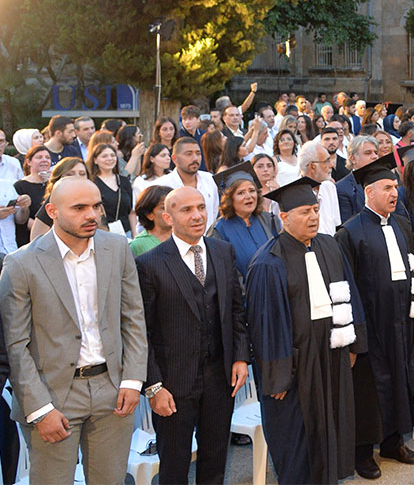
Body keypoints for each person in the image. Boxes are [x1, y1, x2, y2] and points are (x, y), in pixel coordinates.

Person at [0, 177, 147, 484]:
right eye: (79, 208)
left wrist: (133, 381)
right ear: (52, 211)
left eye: (96, 206)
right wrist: (39, 409)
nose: (92, 215)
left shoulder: (117, 247)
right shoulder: (21, 263)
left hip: (113, 390)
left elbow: (133, 316)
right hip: (52, 394)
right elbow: (16, 345)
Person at [244, 177, 366, 484]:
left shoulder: (329, 245)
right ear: (283, 217)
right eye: (304, 212)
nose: (313, 217)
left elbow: (349, 293)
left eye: (315, 209)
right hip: (296, 366)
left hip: (331, 354)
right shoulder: (268, 263)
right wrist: (278, 377)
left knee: (333, 428)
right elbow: (265, 327)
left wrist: (351, 343)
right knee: (298, 440)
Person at [134, 186, 250, 484]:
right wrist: (154, 387)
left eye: (200, 207)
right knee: (174, 467)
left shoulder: (223, 252)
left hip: (219, 378)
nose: (197, 215)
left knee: (214, 462)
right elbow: (141, 332)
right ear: (168, 217)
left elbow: (236, 310)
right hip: (173, 385)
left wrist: (240, 357)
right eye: (186, 210)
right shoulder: (150, 264)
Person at [335, 155, 414, 477]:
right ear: (368, 192)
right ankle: (363, 452)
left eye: (396, 187)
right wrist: (355, 335)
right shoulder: (350, 232)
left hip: (401, 321)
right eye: (387, 187)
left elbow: (413, 269)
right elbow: (347, 286)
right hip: (371, 326)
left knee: (401, 380)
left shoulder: (401, 223)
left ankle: (393, 441)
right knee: (370, 390)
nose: (394, 193)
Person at [208, 162, 281, 280]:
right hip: (244, 295)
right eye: (241, 193)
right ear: (230, 198)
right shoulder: (219, 230)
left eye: (252, 191)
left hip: (276, 289)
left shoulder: (269, 220)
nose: (248, 196)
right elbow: (223, 273)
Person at [152, 137, 221, 230]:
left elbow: (214, 212)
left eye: (198, 153)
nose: (195, 158)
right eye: (189, 154)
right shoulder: (162, 185)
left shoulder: (209, 179)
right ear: (174, 159)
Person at [88, 143, 136, 237]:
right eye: (104, 156)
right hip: (102, 234)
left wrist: (134, 233)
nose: (109, 159)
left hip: (126, 233)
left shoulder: (124, 181)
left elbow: (131, 212)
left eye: (112, 155)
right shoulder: (92, 184)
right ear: (95, 160)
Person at [298, 139, 341, 235]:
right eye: (326, 161)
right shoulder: (293, 192)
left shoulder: (330, 187)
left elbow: (336, 225)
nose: (331, 165)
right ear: (313, 166)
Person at [12, 145, 51, 247]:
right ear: (29, 162)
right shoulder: (20, 186)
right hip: (31, 239)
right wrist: (45, 231)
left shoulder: (53, 184)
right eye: (39, 157)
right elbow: (22, 219)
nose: (44, 160)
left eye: (47, 157)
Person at [336, 136, 380, 224]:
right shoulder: (342, 188)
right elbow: (348, 226)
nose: (375, 156)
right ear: (353, 159)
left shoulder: (384, 180)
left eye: (375, 152)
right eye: (368, 153)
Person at [129, 185, 174, 256]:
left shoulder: (185, 236)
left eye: (173, 206)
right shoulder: (137, 245)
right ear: (149, 214)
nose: (171, 211)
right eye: (164, 208)